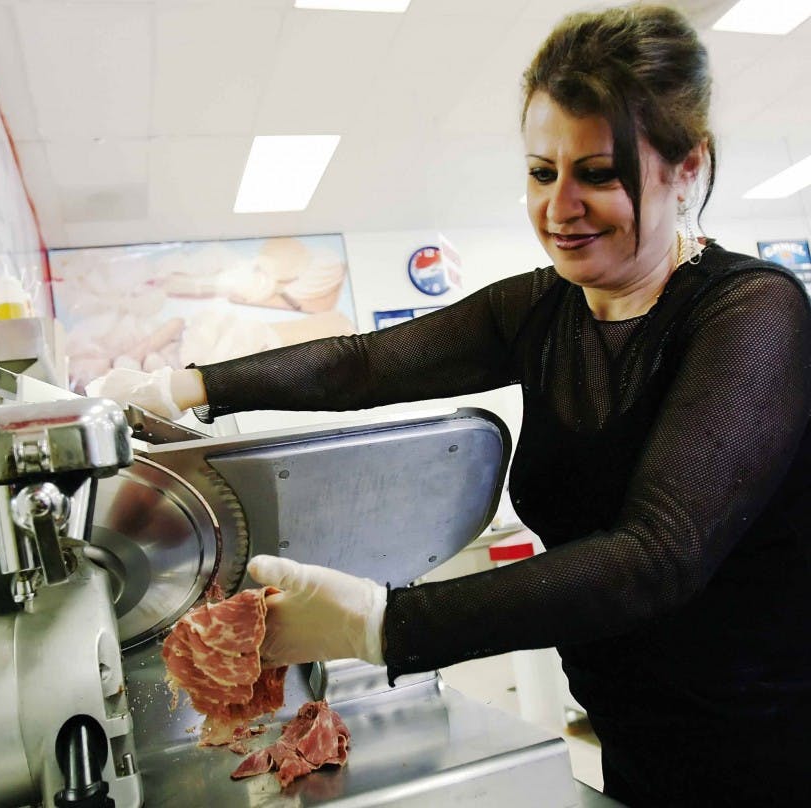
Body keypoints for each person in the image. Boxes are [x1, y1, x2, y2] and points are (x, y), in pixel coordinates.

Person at [87, 5, 811, 805]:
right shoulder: (543, 310)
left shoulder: (751, 315)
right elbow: (360, 366)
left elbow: (655, 553)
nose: (559, 207)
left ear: (685, 167)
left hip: (773, 744)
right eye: (542, 172)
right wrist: (182, 388)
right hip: (636, 735)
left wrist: (381, 623)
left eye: (598, 174)